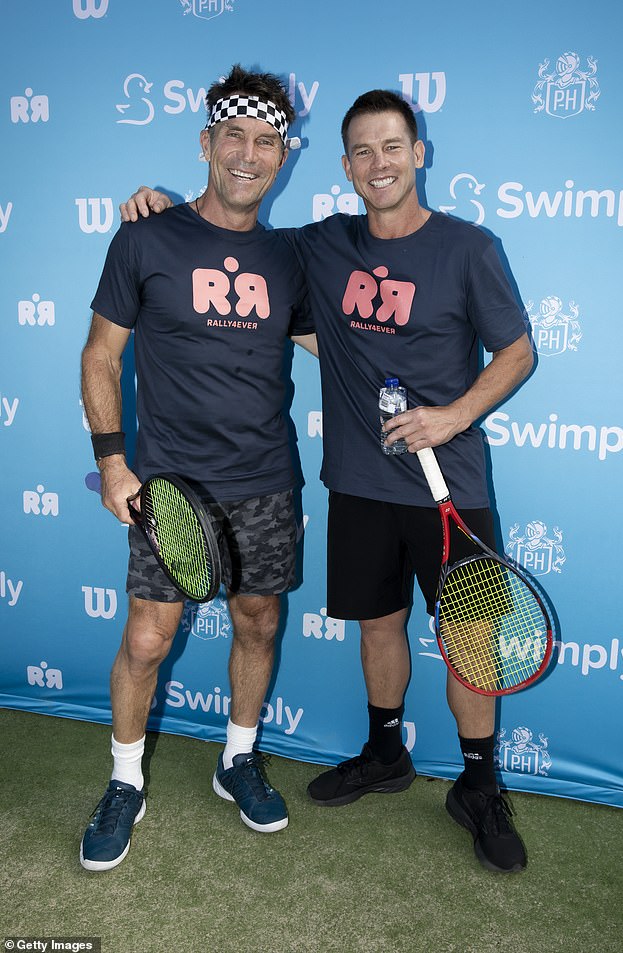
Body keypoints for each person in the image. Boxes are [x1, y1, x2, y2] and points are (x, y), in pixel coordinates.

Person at [124, 90, 535, 874]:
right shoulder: (320, 246)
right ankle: (387, 751)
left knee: (471, 644)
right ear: (344, 167)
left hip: (455, 490)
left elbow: (516, 352)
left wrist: (453, 415)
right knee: (379, 627)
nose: (379, 164)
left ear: (420, 154)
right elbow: (230, 233)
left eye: (393, 147)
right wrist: (159, 205)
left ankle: (480, 784)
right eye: (362, 152)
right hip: (359, 486)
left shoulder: (470, 247)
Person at [79, 65, 317, 872]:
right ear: (207, 142)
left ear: (284, 155)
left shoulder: (294, 259)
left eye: (267, 142)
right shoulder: (146, 235)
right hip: (170, 484)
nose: (249, 155)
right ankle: (122, 781)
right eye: (235, 137)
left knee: (259, 620)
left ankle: (238, 757)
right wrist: (112, 463)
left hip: (265, 480)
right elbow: (101, 354)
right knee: (147, 640)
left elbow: (340, 344)